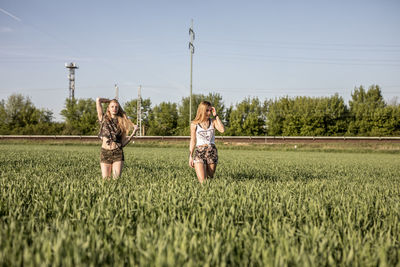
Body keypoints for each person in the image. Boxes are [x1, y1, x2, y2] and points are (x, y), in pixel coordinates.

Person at [96, 97, 138, 179]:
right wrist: (110, 101)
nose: (114, 108)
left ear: (118, 109)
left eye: (116, 107)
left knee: (116, 180)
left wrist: (133, 133)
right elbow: (98, 100)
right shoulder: (103, 119)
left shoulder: (122, 122)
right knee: (105, 180)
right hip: (105, 152)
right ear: (108, 108)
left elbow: (122, 143)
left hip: (117, 153)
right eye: (112, 106)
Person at [189, 101, 225, 183]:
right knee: (203, 181)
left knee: (210, 178)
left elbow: (222, 130)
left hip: (212, 151)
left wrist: (216, 115)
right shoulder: (194, 124)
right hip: (200, 152)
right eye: (207, 110)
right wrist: (190, 155)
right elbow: (193, 140)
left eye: (210, 110)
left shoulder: (213, 122)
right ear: (202, 111)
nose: (209, 113)